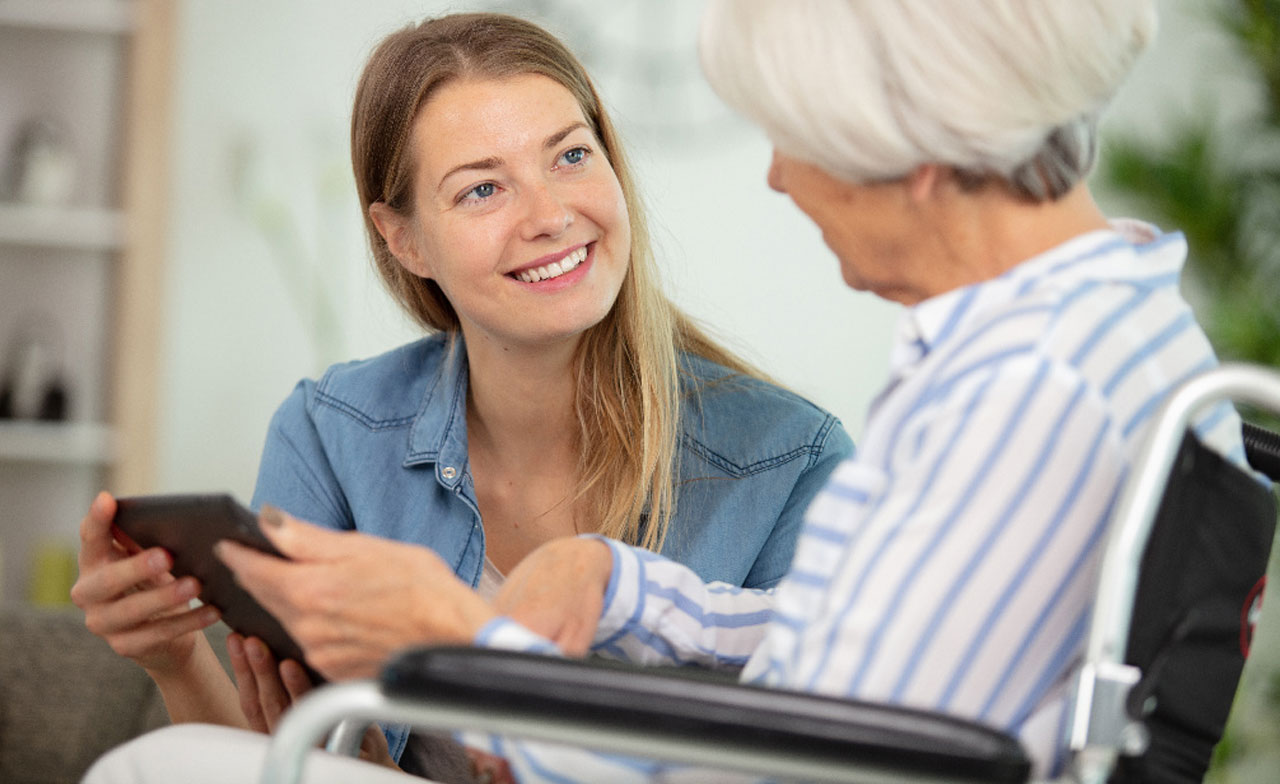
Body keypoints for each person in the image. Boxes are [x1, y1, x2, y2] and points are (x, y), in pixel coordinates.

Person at [82, 0, 1254, 782]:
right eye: (480, 188)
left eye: (795, 134)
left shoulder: (1015, 395)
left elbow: (829, 758)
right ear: (404, 238)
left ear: (914, 146)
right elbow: (851, 661)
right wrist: (624, 580)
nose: (778, 174)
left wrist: (457, 637)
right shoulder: (1104, 328)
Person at [70, 10, 852, 781]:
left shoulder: (789, 463)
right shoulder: (332, 437)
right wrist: (173, 659)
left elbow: (811, 759)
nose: (550, 216)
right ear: (403, 239)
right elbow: (268, 758)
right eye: (482, 190)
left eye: (571, 156)